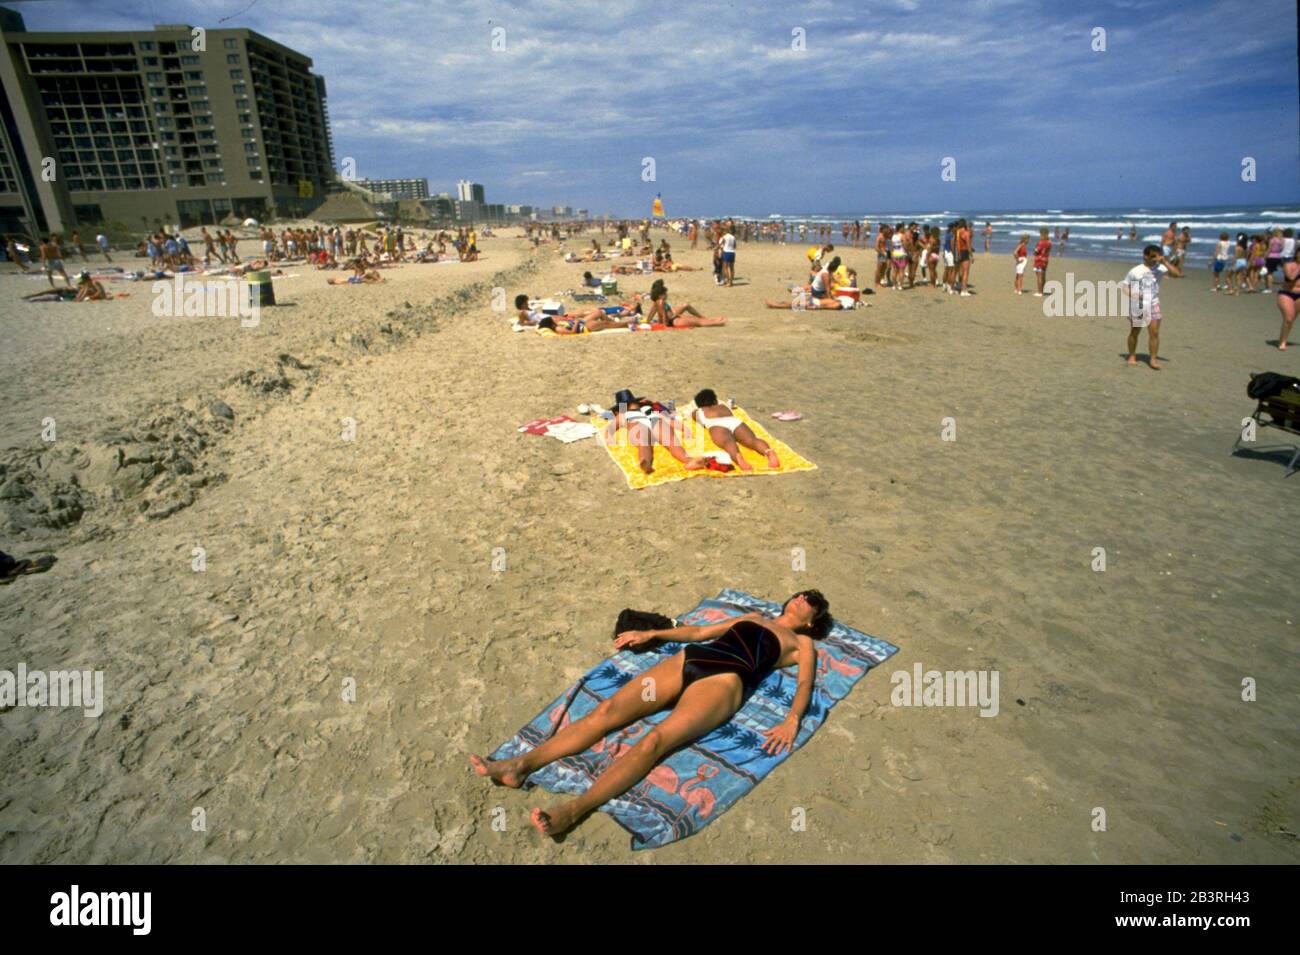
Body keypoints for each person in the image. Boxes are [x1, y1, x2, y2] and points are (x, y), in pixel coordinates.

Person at [469, 590, 833, 837]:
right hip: (691, 659)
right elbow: (702, 630)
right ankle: (521, 765)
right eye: (801, 593)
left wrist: (792, 719)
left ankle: (575, 809)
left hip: (724, 682)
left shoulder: (802, 644)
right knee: (608, 710)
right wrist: (653, 633)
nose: (802, 598)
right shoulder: (752, 615)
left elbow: (804, 685)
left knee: (655, 740)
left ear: (813, 622)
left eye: (811, 601)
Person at [602, 389, 706, 474]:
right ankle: (688, 460)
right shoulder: (645, 409)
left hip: (639, 424)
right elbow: (668, 420)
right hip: (653, 421)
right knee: (672, 444)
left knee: (644, 444)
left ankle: (645, 461)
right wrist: (684, 428)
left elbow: (610, 427)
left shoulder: (624, 414)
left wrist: (609, 436)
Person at [1123, 244, 1182, 369]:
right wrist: (1135, 296)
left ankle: (1153, 359)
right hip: (1138, 305)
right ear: (1145, 256)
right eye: (1152, 256)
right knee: (1135, 332)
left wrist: (1165, 261)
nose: (1155, 259)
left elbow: (1177, 274)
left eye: (1158, 256)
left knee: (1154, 332)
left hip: (1153, 304)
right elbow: (1125, 287)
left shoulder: (1160, 268)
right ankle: (1132, 355)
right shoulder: (1135, 271)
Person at [691, 389, 779, 470]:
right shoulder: (723, 406)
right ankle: (769, 452)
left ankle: (738, 457)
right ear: (715, 400)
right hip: (734, 421)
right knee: (752, 440)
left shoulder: (698, 412)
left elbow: (698, 420)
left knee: (728, 443)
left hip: (715, 425)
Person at [645, 280, 725, 327]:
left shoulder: (656, 303)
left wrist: (647, 323)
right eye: (665, 294)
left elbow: (650, 317)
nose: (667, 295)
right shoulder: (661, 302)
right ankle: (716, 323)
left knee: (694, 319)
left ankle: (711, 320)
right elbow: (664, 318)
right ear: (660, 295)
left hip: (673, 317)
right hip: (673, 321)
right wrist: (665, 326)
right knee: (696, 322)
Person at [1275, 249, 1300, 350]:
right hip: (1287, 293)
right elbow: (1290, 278)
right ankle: (1282, 342)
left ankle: (1283, 338)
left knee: (1291, 320)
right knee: (1288, 318)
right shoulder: (1288, 265)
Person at [1032, 227, 1052, 297]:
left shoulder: (1040, 242)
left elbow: (1036, 251)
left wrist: (1034, 252)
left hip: (1039, 260)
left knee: (1039, 277)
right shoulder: (1049, 242)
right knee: (1043, 276)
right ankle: (1042, 290)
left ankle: (1040, 292)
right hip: (1045, 260)